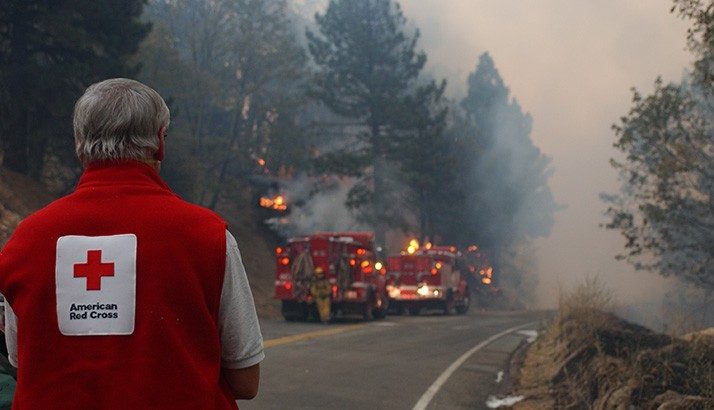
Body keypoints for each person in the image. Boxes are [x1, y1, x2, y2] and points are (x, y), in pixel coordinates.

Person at [0, 78, 264, 409]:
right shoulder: (208, 237)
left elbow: (22, 362)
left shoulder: (25, 241)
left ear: (79, 143)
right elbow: (245, 379)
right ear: (160, 143)